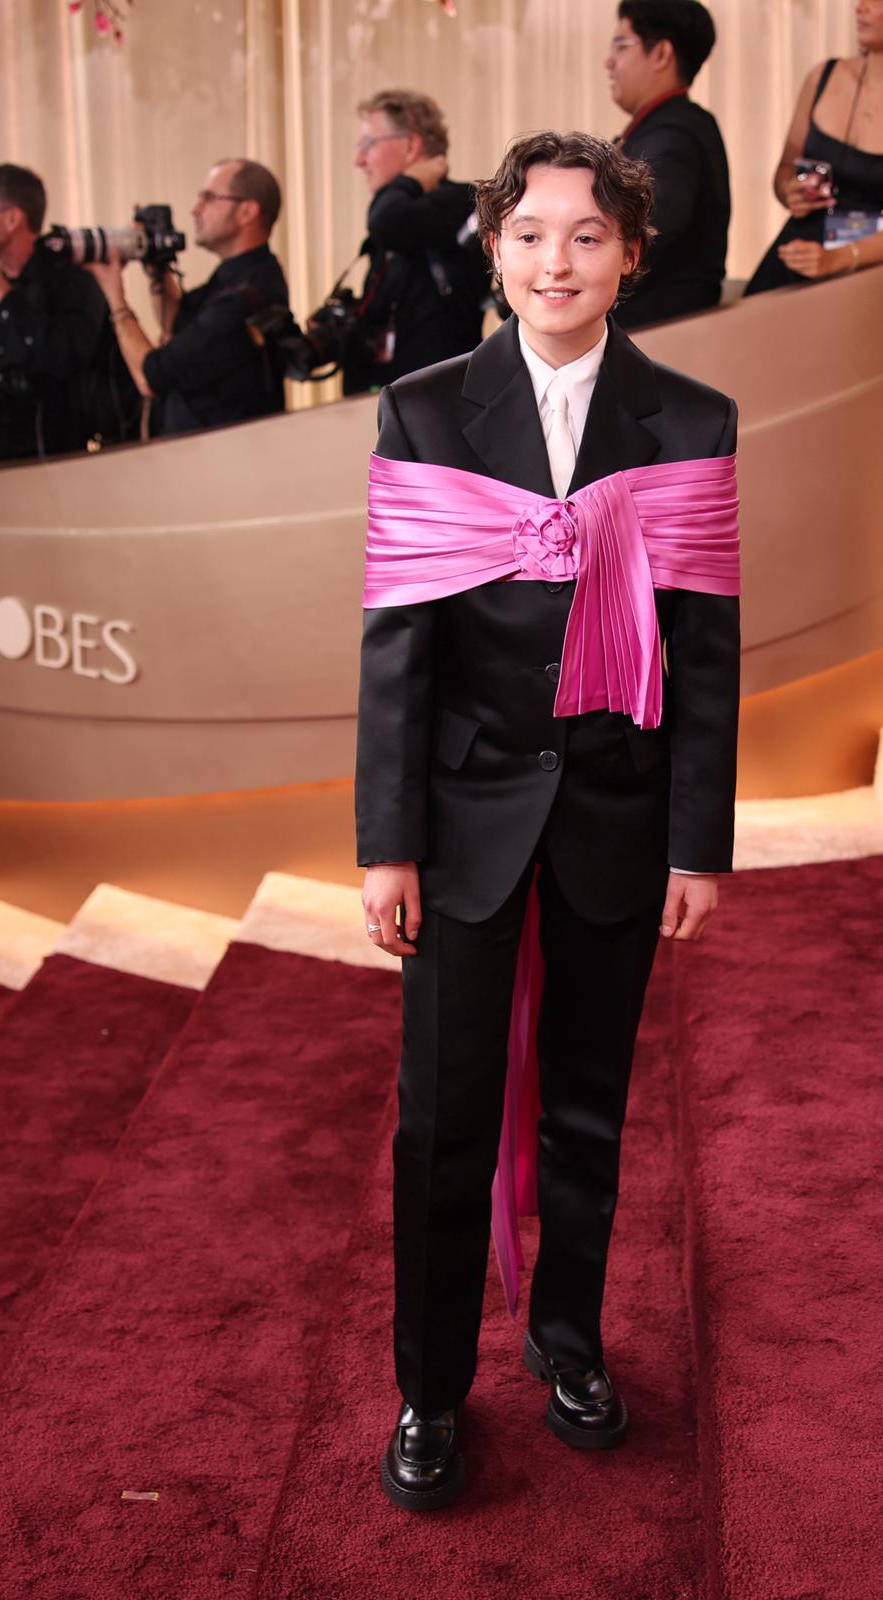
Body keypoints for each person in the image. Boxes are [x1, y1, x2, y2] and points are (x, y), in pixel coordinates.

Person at [356, 129, 740, 1511]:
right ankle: (430, 1390)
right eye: (528, 234)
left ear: (632, 254)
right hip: (462, 815)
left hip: (617, 818)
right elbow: (397, 648)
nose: (554, 261)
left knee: (590, 1106)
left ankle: (568, 1343)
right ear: (494, 249)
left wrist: (699, 841)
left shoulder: (692, 423)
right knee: (441, 1118)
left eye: (586, 236)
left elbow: (704, 648)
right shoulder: (425, 411)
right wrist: (384, 841)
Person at [744, 0, 883, 295]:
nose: (860, 7)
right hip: (798, 254)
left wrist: (838, 258)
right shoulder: (824, 76)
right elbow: (785, 169)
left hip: (872, 273)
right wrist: (790, 191)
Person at [88, 158, 290, 437]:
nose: (195, 210)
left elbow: (150, 377)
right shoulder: (237, 277)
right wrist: (156, 267)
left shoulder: (246, 296)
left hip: (223, 463)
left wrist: (114, 293)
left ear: (247, 211)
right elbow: (177, 323)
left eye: (209, 198)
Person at [0, 163, 123, 463]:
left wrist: (1, 291)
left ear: (13, 218)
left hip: (61, 461)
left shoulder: (71, 279)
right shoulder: (0, 286)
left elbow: (59, 360)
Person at [344, 90, 487, 395]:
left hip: (439, 409)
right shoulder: (403, 219)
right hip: (389, 406)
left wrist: (408, 181)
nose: (359, 160)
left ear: (411, 145)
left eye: (368, 145)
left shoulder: (459, 202)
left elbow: (387, 222)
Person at [606, 0, 732, 327]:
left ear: (661, 54)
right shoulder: (673, 126)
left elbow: (645, 234)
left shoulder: (671, 138)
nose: (609, 62)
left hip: (656, 336)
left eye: (621, 46)